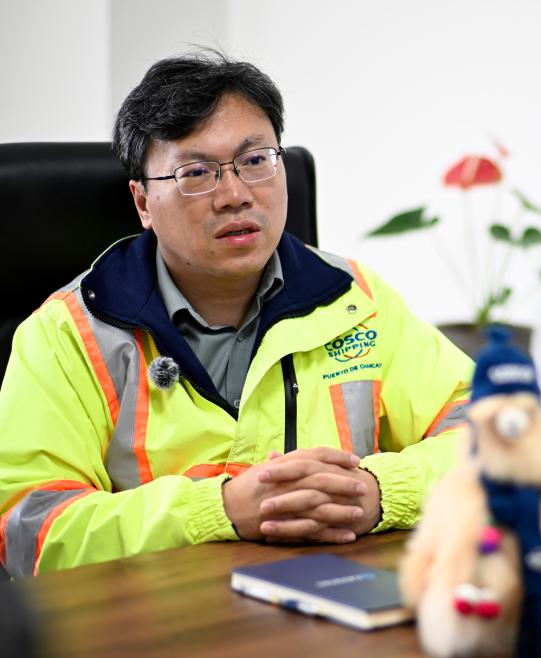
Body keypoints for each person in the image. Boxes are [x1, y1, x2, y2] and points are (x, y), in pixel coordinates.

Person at [0, 52, 473, 578]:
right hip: (155, 614)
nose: (235, 195)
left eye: (255, 161)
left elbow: (493, 433)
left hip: (335, 596)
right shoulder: (67, 333)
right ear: (143, 203)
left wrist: (381, 491)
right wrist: (218, 510)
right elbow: (28, 529)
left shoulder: (354, 300)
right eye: (196, 173)